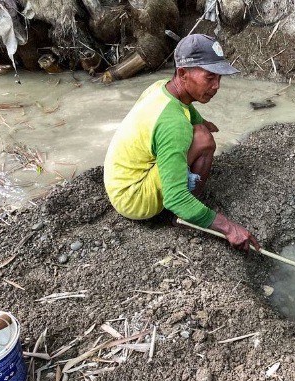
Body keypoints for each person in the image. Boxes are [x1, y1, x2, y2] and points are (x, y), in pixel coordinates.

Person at [104, 34, 260, 252]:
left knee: (199, 131)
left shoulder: (161, 87)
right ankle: (184, 219)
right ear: (183, 74)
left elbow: (185, 107)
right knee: (203, 140)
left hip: (118, 184)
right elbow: (174, 198)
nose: (216, 86)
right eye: (209, 78)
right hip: (133, 199)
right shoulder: (174, 125)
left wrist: (200, 121)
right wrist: (228, 227)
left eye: (219, 78)